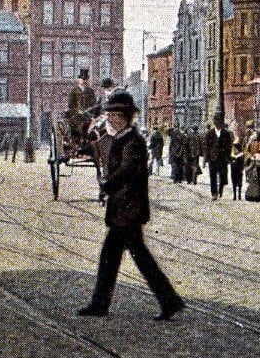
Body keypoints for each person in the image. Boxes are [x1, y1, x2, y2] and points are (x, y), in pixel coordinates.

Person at [77, 91, 184, 321]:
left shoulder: (133, 142)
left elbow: (126, 171)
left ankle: (102, 304)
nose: (112, 118)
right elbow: (104, 153)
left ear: (126, 117)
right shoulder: (122, 139)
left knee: (118, 257)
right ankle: (168, 300)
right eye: (111, 114)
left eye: (116, 114)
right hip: (123, 210)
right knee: (127, 257)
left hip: (129, 210)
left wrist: (107, 184)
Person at [203, 113, 233, 201]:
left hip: (222, 158)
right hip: (212, 158)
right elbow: (206, 146)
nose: (217, 123)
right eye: (215, 121)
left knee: (223, 176)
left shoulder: (226, 133)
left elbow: (229, 146)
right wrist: (206, 158)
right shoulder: (209, 133)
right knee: (213, 177)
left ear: (221, 122)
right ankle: (214, 193)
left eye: (218, 121)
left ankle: (220, 189)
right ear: (214, 123)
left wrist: (228, 157)